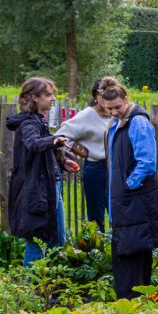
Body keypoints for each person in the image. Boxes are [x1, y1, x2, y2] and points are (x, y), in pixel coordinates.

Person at [103, 77, 158, 299]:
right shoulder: (118, 122)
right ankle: (136, 301)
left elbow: (147, 163)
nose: (114, 112)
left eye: (117, 107)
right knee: (130, 249)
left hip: (133, 198)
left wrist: (127, 185)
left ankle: (131, 302)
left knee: (132, 250)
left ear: (126, 99)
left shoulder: (137, 122)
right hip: (124, 199)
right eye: (109, 109)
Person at [7, 77, 73, 267]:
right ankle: (30, 290)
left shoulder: (38, 120)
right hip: (38, 189)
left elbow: (40, 155)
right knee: (39, 237)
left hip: (52, 184)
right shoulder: (29, 123)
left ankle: (43, 285)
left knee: (56, 240)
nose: (53, 98)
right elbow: (33, 144)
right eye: (48, 94)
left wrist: (62, 161)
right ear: (34, 97)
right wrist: (54, 140)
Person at [55, 78, 111, 231]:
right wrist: (72, 151)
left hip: (118, 169)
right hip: (97, 170)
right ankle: (97, 253)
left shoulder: (117, 112)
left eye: (110, 93)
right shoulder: (87, 115)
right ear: (95, 96)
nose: (107, 97)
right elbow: (61, 136)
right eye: (102, 94)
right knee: (96, 220)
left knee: (121, 216)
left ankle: (119, 252)